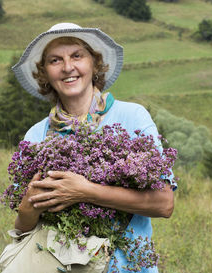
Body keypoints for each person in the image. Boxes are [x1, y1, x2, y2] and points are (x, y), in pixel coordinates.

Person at [11, 22, 177, 273]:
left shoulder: (131, 117)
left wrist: (85, 191)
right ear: (44, 73)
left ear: (94, 63)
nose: (68, 67)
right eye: (55, 60)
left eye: (77, 55)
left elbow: (164, 204)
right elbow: (23, 230)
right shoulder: (37, 135)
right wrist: (28, 207)